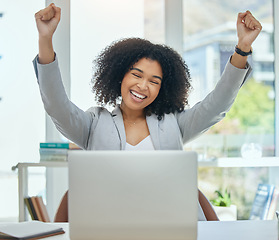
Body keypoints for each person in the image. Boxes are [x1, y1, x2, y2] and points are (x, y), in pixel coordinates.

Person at [33, 4, 262, 221]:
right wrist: (45, 38)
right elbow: (56, 105)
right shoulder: (94, 124)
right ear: (120, 75)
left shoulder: (174, 123)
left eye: (154, 81)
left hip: (169, 224)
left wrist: (242, 49)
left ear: (162, 88)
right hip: (109, 225)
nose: (143, 86)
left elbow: (216, 105)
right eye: (136, 75)